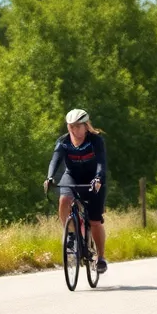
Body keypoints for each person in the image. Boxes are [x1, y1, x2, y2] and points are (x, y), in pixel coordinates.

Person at [44, 108, 108, 272]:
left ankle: (100, 257)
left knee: (94, 221)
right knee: (64, 200)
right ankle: (71, 235)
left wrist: (98, 178)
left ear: (86, 126)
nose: (73, 130)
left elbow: (101, 162)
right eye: (70, 126)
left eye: (77, 126)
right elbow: (55, 160)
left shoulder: (95, 140)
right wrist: (50, 177)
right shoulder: (63, 141)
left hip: (94, 179)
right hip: (72, 176)